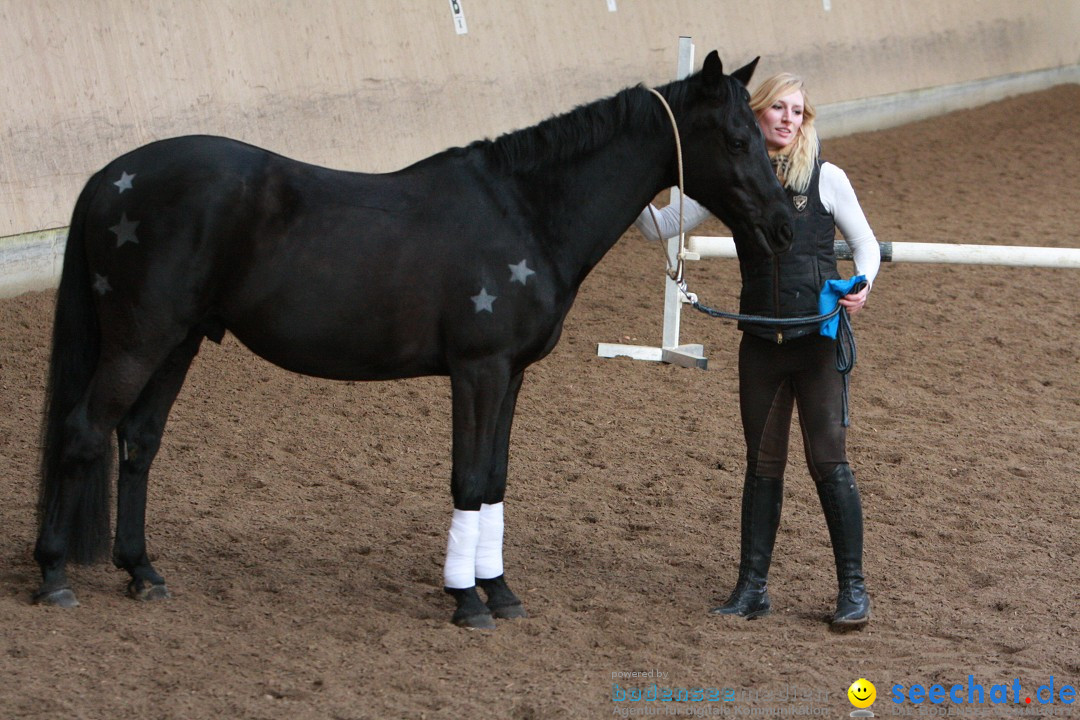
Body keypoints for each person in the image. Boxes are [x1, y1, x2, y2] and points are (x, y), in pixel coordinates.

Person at [635, 72, 881, 628]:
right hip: (761, 346)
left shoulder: (828, 177)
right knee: (762, 466)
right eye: (779, 108)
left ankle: (853, 589)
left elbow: (865, 244)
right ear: (759, 114)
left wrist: (862, 282)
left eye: (798, 111)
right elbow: (660, 227)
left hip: (817, 343)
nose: (789, 118)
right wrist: (634, 174)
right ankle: (752, 588)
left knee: (829, 463)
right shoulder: (733, 178)